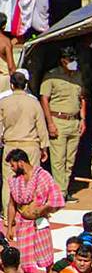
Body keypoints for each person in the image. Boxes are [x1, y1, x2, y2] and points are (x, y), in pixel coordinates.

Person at [6, 149, 65, 273]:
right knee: (25, 259)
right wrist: (10, 227)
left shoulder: (43, 176)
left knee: (47, 257)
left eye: (13, 165)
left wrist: (43, 209)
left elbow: (55, 198)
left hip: (40, 221)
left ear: (21, 162)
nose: (11, 168)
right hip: (23, 223)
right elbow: (11, 205)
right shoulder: (15, 180)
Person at [40, 46, 86, 201]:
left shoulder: (78, 75)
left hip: (74, 121)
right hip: (58, 120)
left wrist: (83, 119)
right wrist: (50, 123)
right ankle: (60, 193)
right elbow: (44, 99)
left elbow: (82, 98)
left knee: (70, 159)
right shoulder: (51, 76)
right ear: (63, 60)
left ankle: (64, 189)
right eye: (70, 60)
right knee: (58, 159)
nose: (73, 62)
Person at [0, 72, 48, 211]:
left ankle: (9, 215)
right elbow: (41, 126)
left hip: (11, 145)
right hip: (30, 146)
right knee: (32, 179)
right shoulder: (34, 102)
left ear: (11, 85)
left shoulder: (4, 102)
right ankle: (30, 210)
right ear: (26, 84)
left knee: (9, 181)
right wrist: (44, 147)